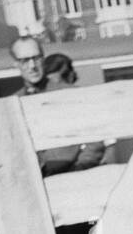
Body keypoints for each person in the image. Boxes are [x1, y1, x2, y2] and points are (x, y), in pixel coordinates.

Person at [7, 35, 104, 175]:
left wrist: (80, 170)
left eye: (36, 58)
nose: (32, 66)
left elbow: (95, 140)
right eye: (24, 61)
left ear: (43, 58)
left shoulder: (70, 94)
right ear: (15, 64)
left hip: (73, 178)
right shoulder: (12, 105)